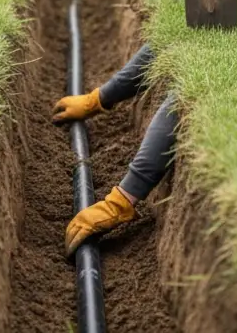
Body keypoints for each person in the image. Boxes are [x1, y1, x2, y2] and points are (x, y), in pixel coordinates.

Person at [51, 44, 178, 256]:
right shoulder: (215, 20)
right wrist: (99, 98)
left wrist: (122, 201)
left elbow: (180, 103)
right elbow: (167, 41)